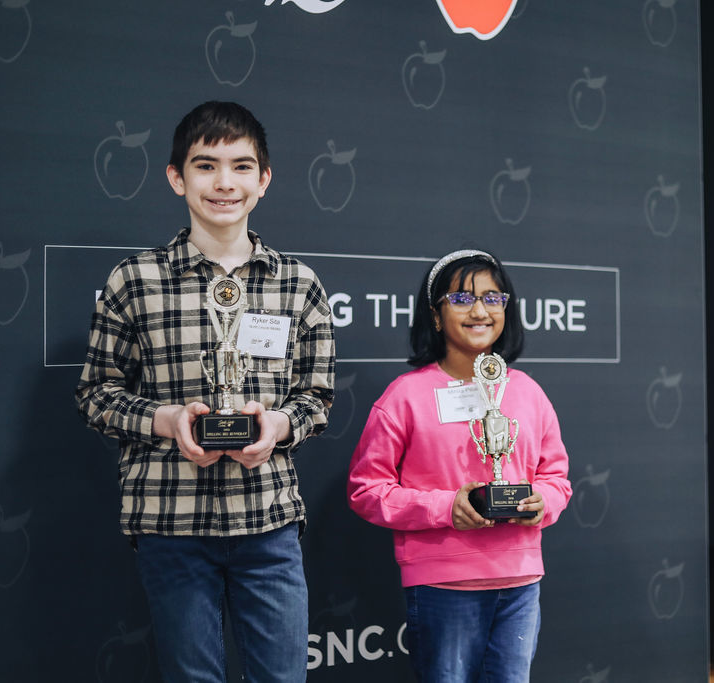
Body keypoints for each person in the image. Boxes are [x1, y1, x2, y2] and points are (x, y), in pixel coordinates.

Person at [76, 101, 335, 682]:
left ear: (264, 180)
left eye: (242, 166)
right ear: (176, 177)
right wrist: (165, 420)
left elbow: (316, 399)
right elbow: (95, 395)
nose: (224, 183)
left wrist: (277, 426)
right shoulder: (134, 279)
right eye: (205, 165)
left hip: (268, 522)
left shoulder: (299, 284)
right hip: (172, 521)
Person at [347, 249, 572, 682]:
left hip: (520, 580)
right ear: (435, 315)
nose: (480, 311)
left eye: (492, 298)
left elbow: (556, 477)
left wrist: (542, 500)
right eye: (462, 299)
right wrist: (445, 507)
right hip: (443, 585)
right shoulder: (405, 396)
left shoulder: (527, 391)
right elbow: (366, 490)